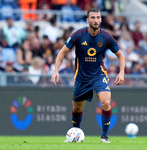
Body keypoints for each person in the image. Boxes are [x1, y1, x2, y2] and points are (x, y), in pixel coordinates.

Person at [51, 8, 125, 143]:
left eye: (98, 17)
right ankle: (75, 133)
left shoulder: (106, 36)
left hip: (99, 75)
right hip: (81, 77)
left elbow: (120, 55)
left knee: (106, 102)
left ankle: (104, 136)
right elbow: (62, 53)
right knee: (77, 108)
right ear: (87, 20)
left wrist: (121, 72)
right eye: (93, 18)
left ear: (101, 19)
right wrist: (56, 70)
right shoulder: (78, 35)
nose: (95, 20)